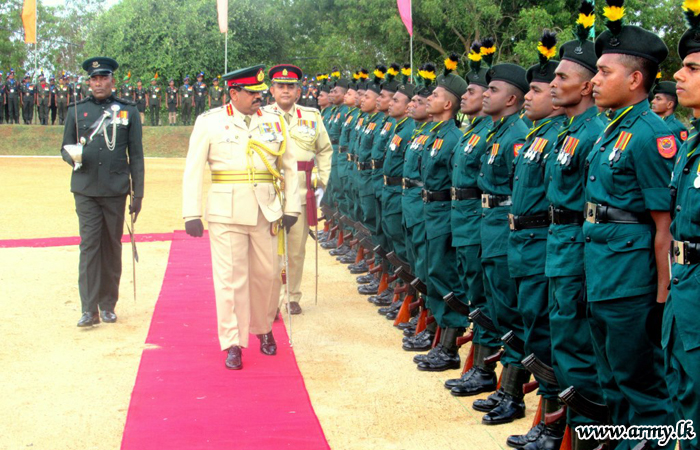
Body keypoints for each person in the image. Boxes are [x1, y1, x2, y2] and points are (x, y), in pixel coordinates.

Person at [584, 2, 676, 447]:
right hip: (602, 273)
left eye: (603, 72)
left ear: (635, 79)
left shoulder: (649, 134)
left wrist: (662, 297)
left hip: (631, 284)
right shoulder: (610, 130)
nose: (593, 81)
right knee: (611, 379)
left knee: (640, 383)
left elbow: (665, 225)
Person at [181, 65, 301, 371]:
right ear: (233, 93)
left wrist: (292, 208)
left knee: (268, 274)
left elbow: (289, 166)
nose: (259, 98)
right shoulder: (210, 122)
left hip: (266, 210)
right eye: (252, 93)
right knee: (230, 279)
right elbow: (193, 169)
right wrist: (191, 212)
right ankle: (232, 342)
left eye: (261, 93)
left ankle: (262, 328)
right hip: (226, 211)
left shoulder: (273, 121)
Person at [542, 3, 606, 448]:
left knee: (579, 349)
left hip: (578, 250)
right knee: (562, 341)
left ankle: (583, 439)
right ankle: (565, 431)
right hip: (556, 244)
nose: (552, 85)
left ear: (587, 85)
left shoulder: (595, 133)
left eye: (562, 77)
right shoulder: (567, 132)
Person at [60, 57, 144, 328]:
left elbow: (137, 156)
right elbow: (65, 147)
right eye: (94, 79)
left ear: (112, 80)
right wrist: (71, 155)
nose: (98, 83)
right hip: (85, 190)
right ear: (89, 82)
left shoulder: (128, 111)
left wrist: (138, 193)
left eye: (103, 78)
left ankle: (108, 305)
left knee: (111, 246)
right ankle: (89, 309)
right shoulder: (77, 110)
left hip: (116, 189)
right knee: (89, 246)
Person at [474, 61, 530, 425]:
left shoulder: (517, 135)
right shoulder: (498, 131)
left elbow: (517, 192)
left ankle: (513, 392)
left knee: (510, 313)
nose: (483, 94)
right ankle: (502, 387)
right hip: (489, 225)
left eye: (492, 90)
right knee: (496, 306)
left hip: (506, 229)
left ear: (511, 98)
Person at [444, 39, 499, 396]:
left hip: (483, 222)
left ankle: (485, 369)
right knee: (473, 291)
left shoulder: (498, 135)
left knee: (484, 297)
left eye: (476, 91)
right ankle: (477, 365)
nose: (466, 96)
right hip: (466, 218)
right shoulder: (474, 132)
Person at [263, 64, 332, 315]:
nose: (285, 90)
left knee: (295, 249)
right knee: (268, 250)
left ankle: (292, 296)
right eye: (280, 86)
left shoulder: (311, 116)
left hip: (302, 192)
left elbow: (324, 150)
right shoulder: (260, 116)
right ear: (271, 90)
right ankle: (270, 298)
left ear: (298, 91)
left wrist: (322, 182)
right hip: (269, 192)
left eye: (290, 86)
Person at [666, 4, 700, 449]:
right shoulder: (691, 143)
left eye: (692, 67)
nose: (678, 75)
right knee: (683, 392)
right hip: (684, 286)